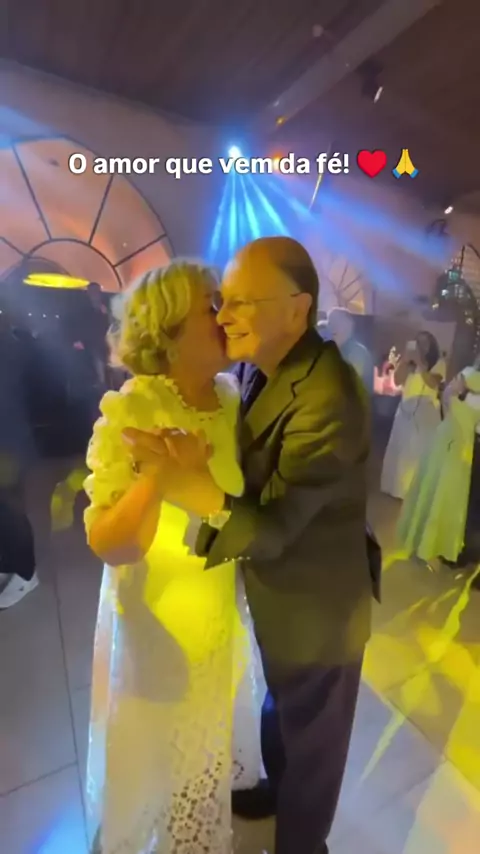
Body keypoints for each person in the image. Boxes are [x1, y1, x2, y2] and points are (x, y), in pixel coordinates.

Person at [127, 238, 372, 854]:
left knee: (315, 742)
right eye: (221, 301)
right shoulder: (252, 368)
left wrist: (191, 486)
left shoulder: (329, 394)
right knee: (280, 708)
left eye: (242, 302)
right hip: (275, 589)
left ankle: (303, 841)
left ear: (298, 308)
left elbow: (278, 526)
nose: (224, 316)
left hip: (319, 606)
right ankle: (275, 789)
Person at [83, 262, 263, 854]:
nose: (226, 314)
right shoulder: (134, 409)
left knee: (200, 754)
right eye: (211, 305)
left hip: (216, 612)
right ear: (167, 331)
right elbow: (109, 542)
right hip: (157, 626)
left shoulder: (230, 397)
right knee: (152, 758)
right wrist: (158, 477)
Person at [397, 362, 480, 582]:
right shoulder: (469, 375)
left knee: (445, 500)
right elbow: (448, 399)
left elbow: (449, 400)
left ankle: (433, 549)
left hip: (459, 444)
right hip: (454, 444)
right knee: (438, 495)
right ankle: (425, 549)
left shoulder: (468, 376)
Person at [381, 331, 445, 499]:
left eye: (425, 343)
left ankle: (414, 493)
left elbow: (433, 383)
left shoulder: (438, 363)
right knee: (402, 451)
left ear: (431, 346)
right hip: (405, 410)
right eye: (418, 342)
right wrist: (404, 361)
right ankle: (397, 489)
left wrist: (420, 363)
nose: (421, 346)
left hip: (426, 412)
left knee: (419, 453)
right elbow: (397, 381)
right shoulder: (408, 362)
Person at [327, 306, 374, 394]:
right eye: (330, 323)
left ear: (348, 326)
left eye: (337, 323)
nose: (332, 327)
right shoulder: (329, 350)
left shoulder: (357, 353)